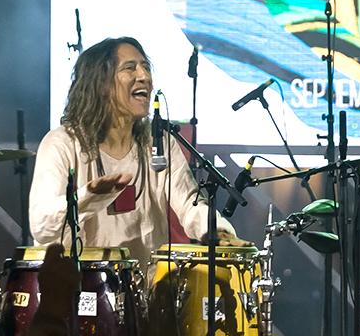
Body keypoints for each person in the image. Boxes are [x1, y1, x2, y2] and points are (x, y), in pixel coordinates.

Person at [26, 36, 238, 262]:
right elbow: (42, 226)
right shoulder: (62, 143)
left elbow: (190, 205)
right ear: (101, 83)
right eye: (130, 68)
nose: (144, 76)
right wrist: (88, 196)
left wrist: (218, 232)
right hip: (80, 288)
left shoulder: (159, 143)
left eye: (146, 67)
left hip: (144, 288)